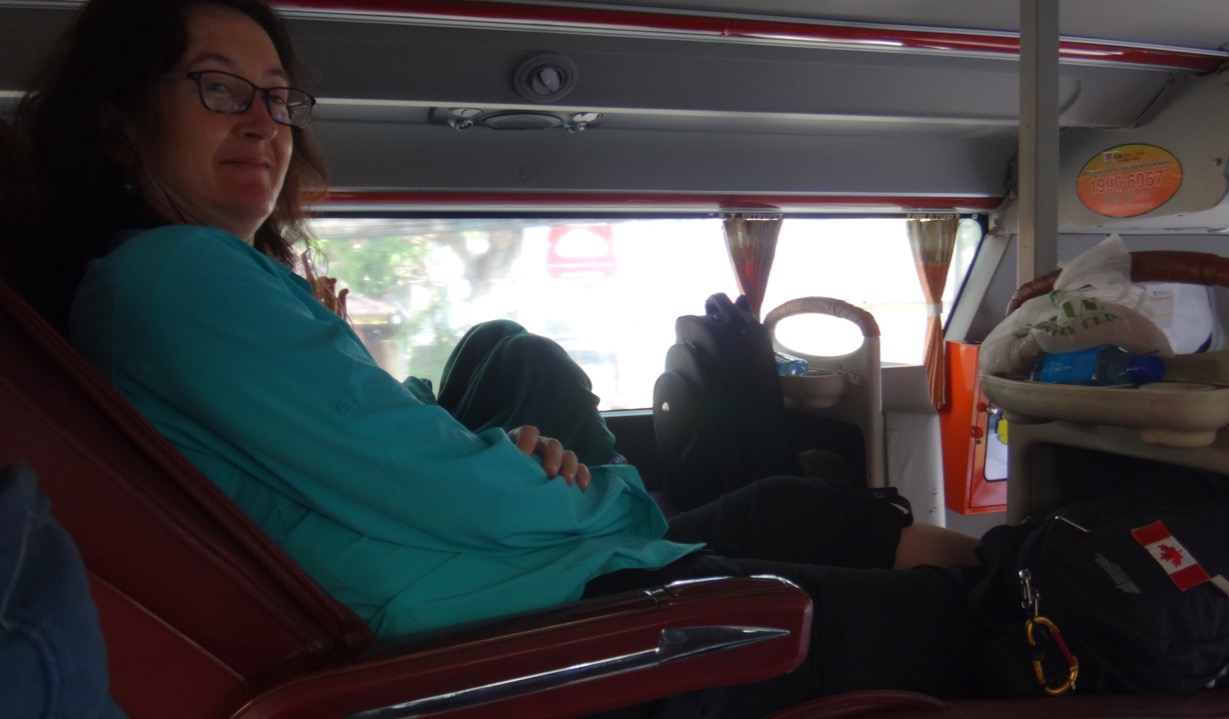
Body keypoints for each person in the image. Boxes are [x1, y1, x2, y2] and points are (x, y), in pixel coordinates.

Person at [14, 0, 989, 715]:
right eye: (219, 87)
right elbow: (416, 479)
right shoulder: (173, 277)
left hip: (500, 593)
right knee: (970, 619)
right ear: (118, 116)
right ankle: (1043, 584)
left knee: (793, 509)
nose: (264, 121)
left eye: (276, 96)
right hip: (513, 633)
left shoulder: (195, 281)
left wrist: (528, 464)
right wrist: (610, 500)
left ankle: (1029, 573)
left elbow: (377, 455)